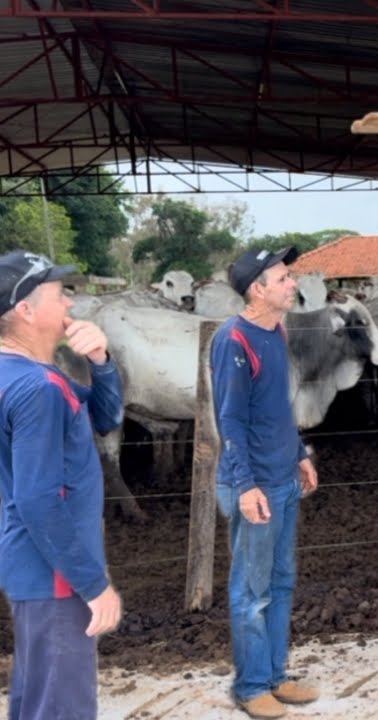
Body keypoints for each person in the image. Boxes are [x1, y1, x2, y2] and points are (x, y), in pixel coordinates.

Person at [0, 250, 124, 719]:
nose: (71, 304)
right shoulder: (40, 388)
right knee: (63, 706)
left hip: (33, 566)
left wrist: (101, 360)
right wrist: (94, 585)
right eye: (60, 294)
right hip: (57, 575)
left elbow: (106, 417)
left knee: (37, 700)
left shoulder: (32, 376)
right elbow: (37, 499)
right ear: (26, 311)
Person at [212, 247, 319, 719]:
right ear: (258, 289)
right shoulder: (233, 340)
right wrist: (246, 486)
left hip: (283, 477)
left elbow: (277, 406)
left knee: (280, 581)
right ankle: (251, 685)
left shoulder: (276, 329)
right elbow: (229, 420)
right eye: (283, 278)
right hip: (255, 485)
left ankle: (275, 676)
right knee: (251, 591)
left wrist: (300, 454)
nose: (292, 283)